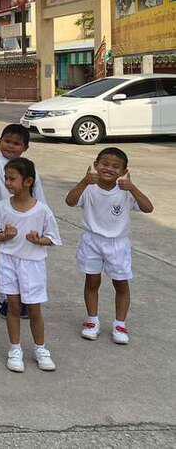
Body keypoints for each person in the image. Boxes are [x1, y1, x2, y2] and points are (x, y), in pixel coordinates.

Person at [65, 148, 153, 345]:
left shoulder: (125, 191)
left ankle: (120, 324)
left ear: (123, 171)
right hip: (92, 241)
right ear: (96, 165)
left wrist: (132, 187)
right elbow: (70, 201)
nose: (109, 168)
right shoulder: (89, 188)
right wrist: (84, 181)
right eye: (105, 164)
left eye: (115, 166)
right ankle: (92, 320)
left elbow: (148, 208)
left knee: (121, 283)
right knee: (92, 281)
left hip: (117, 244)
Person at [0, 157, 61, 373]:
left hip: (33, 264)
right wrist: (5, 236)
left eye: (12, 179)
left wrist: (39, 240)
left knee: (34, 308)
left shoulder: (42, 210)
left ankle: (41, 349)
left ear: (28, 181)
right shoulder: (1, 207)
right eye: (6, 178)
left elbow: (53, 238)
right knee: (13, 306)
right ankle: (15, 349)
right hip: (8, 261)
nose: (7, 183)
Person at [0, 124, 45, 319]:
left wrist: (42, 224)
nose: (10, 146)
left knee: (22, 260)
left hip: (25, 223)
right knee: (0, 261)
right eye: (7, 141)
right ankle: (6, 299)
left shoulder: (30, 169)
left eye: (16, 143)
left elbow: (39, 198)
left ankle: (23, 298)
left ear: (25, 147)